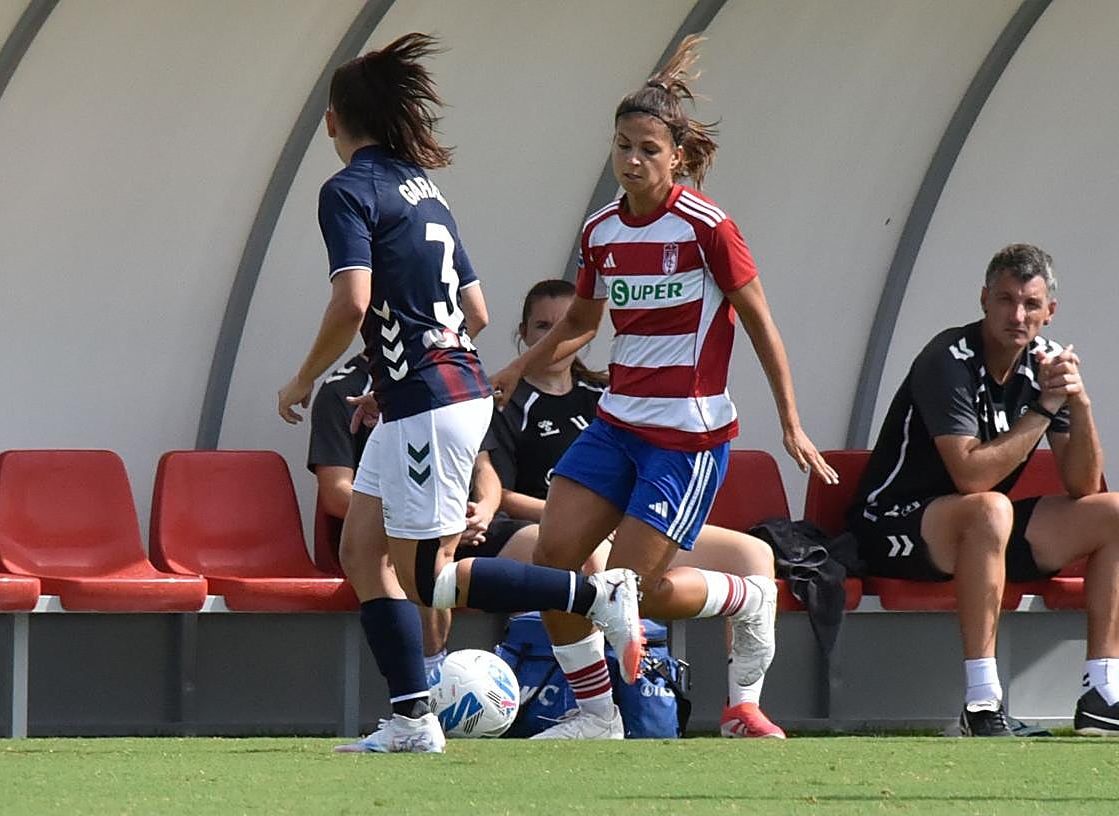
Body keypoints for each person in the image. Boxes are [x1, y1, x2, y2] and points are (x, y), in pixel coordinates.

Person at [276, 32, 642, 754]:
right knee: (362, 552)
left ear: (332, 120)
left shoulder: (346, 190)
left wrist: (305, 375)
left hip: (431, 404)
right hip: (434, 393)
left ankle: (595, 594)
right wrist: (391, 379)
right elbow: (474, 311)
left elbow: (353, 302)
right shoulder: (424, 189)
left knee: (427, 579)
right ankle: (414, 720)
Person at [492, 35, 837, 740]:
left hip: (687, 436)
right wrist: (517, 369)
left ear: (676, 155)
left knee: (629, 593)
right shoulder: (600, 231)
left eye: (648, 149)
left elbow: (761, 325)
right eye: (623, 146)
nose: (632, 160)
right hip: (615, 425)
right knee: (554, 565)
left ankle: (745, 597)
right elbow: (583, 323)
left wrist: (790, 420)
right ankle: (596, 717)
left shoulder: (709, 228)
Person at [492, 279, 788, 737]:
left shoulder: (607, 398)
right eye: (543, 327)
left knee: (753, 554)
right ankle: (600, 707)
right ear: (524, 333)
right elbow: (498, 493)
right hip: (540, 527)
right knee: (602, 574)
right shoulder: (507, 400)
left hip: (624, 518)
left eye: (566, 325)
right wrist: (587, 519)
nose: (557, 337)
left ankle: (742, 708)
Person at [847, 243, 1119, 737]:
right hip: (890, 524)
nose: (1018, 315)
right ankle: (981, 703)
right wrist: (1043, 408)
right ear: (984, 300)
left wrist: (1077, 402)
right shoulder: (948, 359)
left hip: (980, 531)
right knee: (990, 508)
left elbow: (1082, 485)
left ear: (1049, 312)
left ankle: (1102, 692)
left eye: (1031, 304)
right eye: (1006, 300)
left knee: (1112, 511)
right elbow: (970, 476)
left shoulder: (1044, 363)